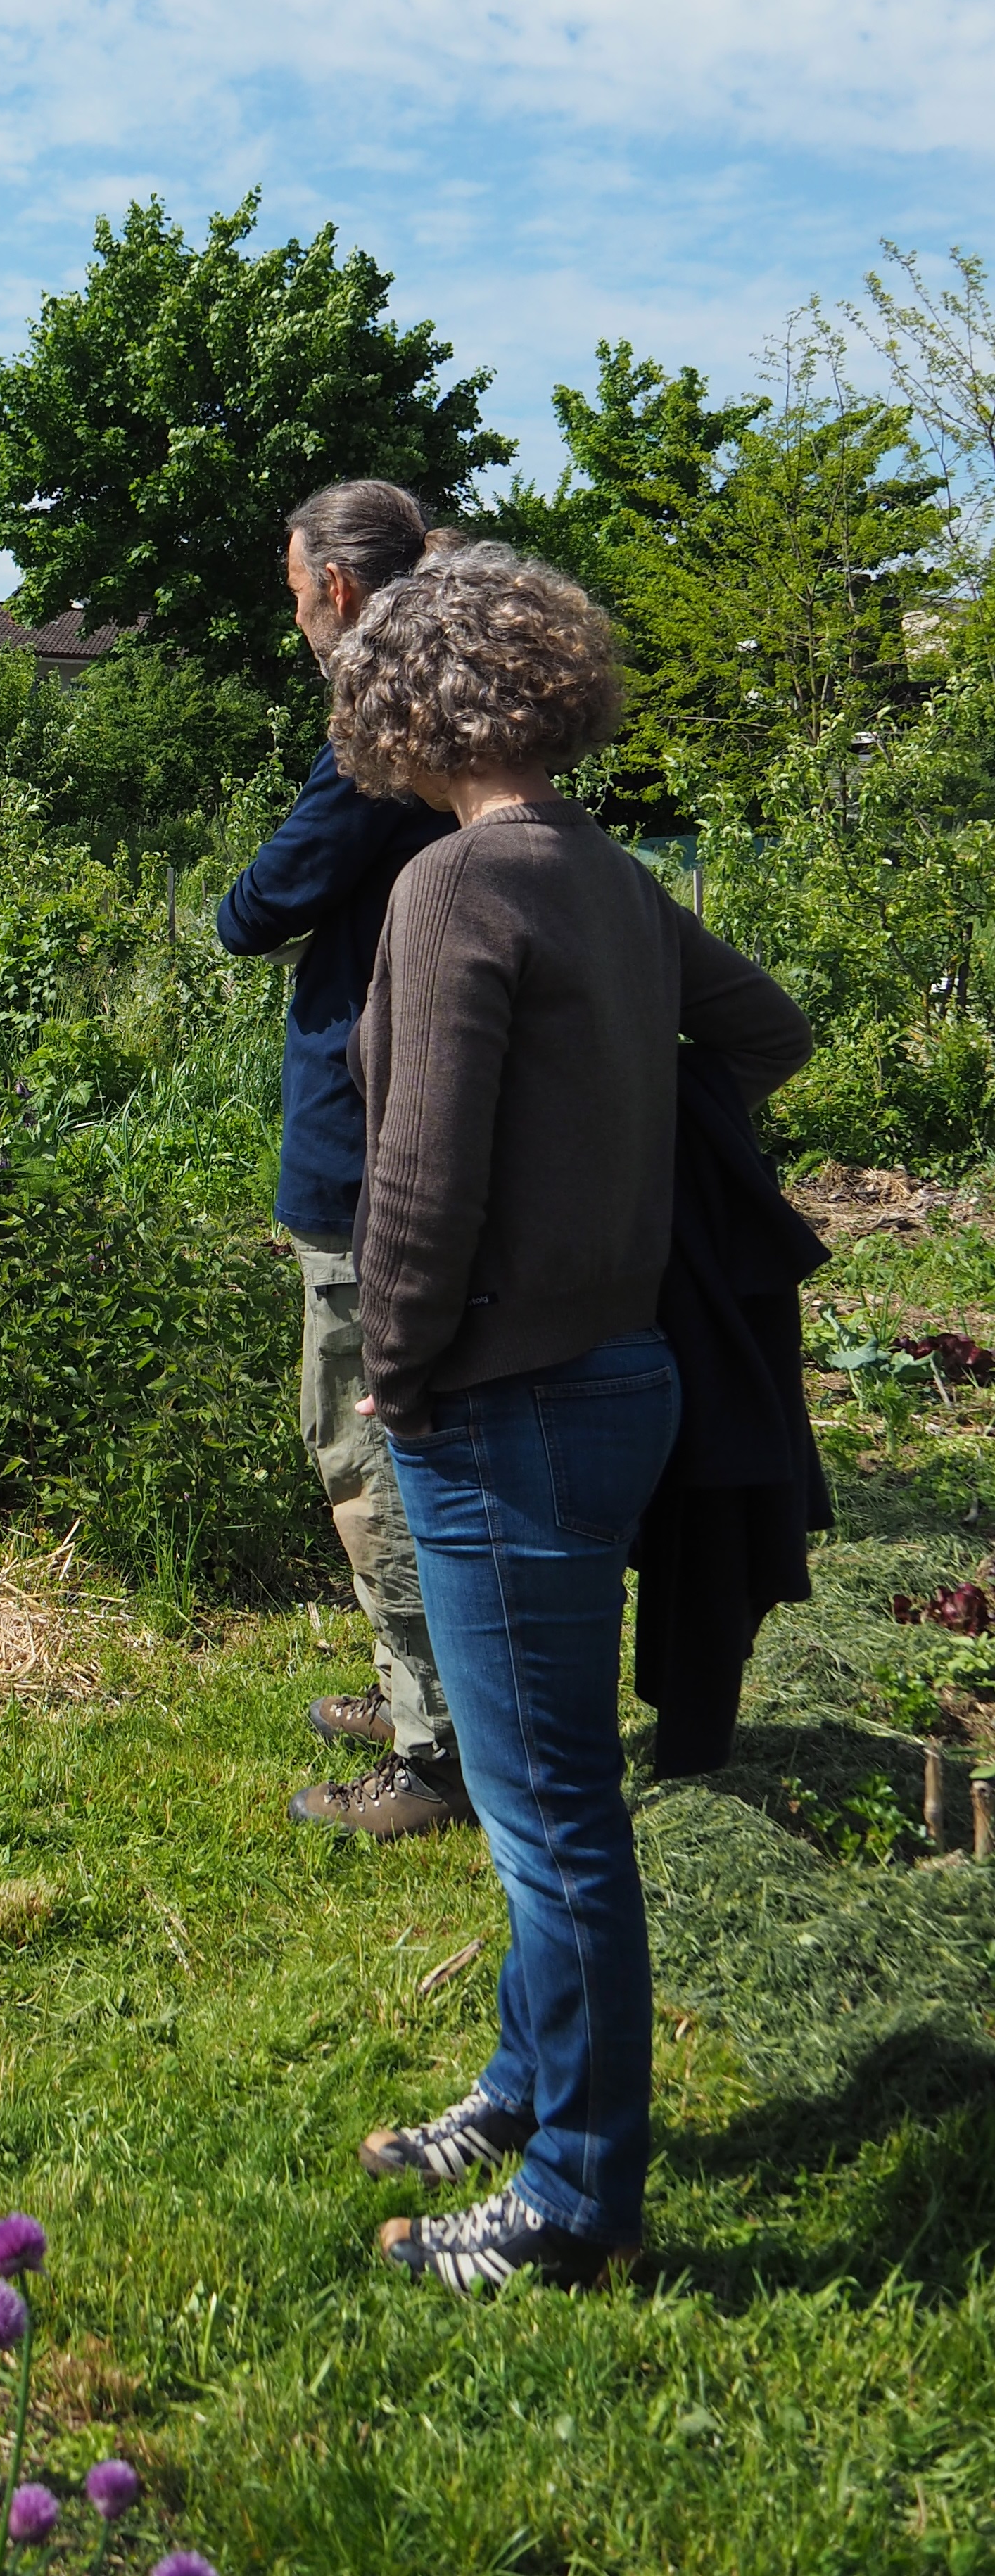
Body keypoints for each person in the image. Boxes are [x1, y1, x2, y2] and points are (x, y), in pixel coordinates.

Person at [335, 543, 811, 2295]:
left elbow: (419, 1170)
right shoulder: (607, 875)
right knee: (550, 1779)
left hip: (502, 1400)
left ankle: (574, 2200)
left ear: (402, 704)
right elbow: (770, 1025)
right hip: (622, 1376)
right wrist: (622, 1127)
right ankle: (524, 2083)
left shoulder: (456, 887)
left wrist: (395, 1356)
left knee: (549, 1817)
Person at [215, 481, 467, 1838]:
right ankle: (415, 1685)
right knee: (400, 1431)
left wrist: (229, 902)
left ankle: (433, 1750)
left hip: (363, 1138)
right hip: (420, 1119)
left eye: (293, 575)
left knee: (371, 1442)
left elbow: (261, 905)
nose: (289, 600)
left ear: (341, 592)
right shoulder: (466, 725)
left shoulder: (378, 741)